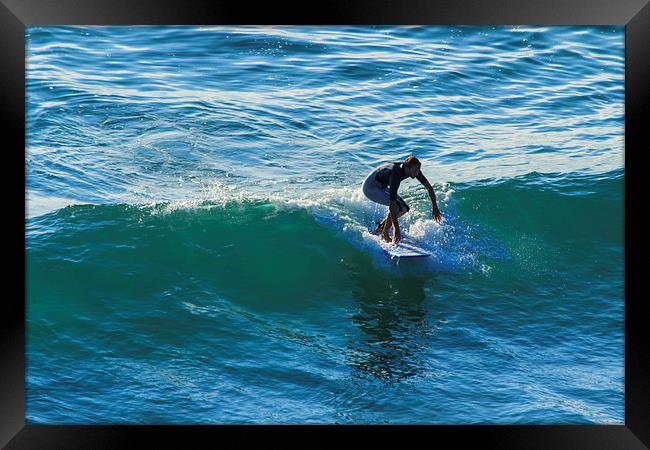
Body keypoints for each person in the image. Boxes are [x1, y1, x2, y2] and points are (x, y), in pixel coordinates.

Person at [362, 156, 443, 244]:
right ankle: (384, 234)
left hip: (381, 186)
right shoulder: (396, 175)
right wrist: (397, 229)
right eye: (415, 171)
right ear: (408, 168)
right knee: (396, 207)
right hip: (370, 188)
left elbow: (429, 188)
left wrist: (435, 207)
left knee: (404, 209)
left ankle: (381, 228)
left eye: (418, 170)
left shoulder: (413, 170)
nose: (417, 173)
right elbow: (392, 206)